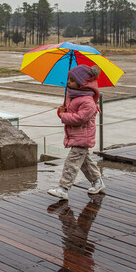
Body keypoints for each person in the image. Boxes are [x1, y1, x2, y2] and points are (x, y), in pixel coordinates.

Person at [47, 65, 105, 200]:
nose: (68, 82)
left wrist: (63, 116)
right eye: (68, 79)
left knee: (71, 163)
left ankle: (63, 188)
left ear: (82, 83)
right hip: (77, 136)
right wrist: (63, 111)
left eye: (72, 80)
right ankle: (97, 181)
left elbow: (80, 119)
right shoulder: (74, 96)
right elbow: (72, 114)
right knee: (85, 162)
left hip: (83, 136)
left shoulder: (88, 101)